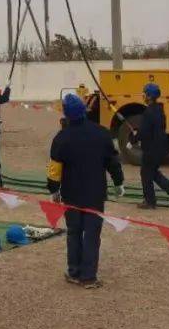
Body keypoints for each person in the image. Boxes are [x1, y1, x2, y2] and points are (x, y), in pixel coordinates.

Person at [46, 93, 125, 289]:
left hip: (71, 194)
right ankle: (89, 276)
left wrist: (53, 189)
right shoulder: (101, 133)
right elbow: (113, 162)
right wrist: (118, 182)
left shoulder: (61, 138)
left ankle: (74, 272)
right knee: (91, 234)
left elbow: (54, 169)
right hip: (95, 194)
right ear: (84, 110)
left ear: (66, 114)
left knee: (73, 232)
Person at [136, 83, 169, 209]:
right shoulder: (159, 110)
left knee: (146, 173)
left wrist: (134, 138)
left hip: (151, 149)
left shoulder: (148, 112)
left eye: (144, 93)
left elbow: (144, 131)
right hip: (161, 147)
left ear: (149, 96)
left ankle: (150, 201)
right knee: (152, 172)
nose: (143, 95)